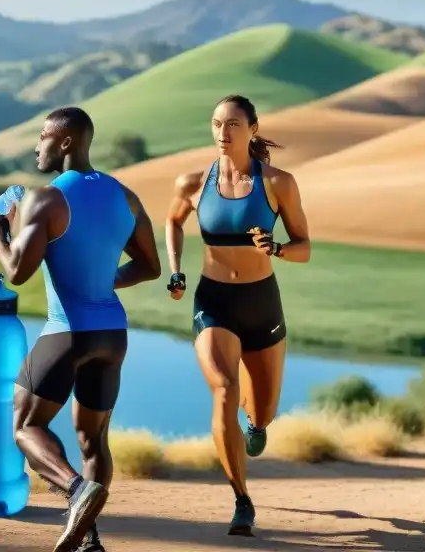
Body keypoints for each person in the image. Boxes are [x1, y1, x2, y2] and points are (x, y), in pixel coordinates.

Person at [0, 106, 161, 552]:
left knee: (23, 424)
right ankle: (89, 540)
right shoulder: (126, 197)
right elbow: (150, 267)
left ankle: (77, 489)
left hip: (68, 331)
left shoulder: (47, 198)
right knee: (93, 438)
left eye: (43, 135)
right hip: (112, 335)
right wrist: (102, 278)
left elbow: (18, 272)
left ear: (65, 143)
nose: (37, 144)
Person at [164, 94, 311, 537]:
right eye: (215, 124)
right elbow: (172, 221)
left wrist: (279, 248)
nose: (222, 133)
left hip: (262, 302)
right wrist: (176, 271)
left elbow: (305, 247)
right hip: (214, 303)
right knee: (225, 391)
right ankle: (242, 501)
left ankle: (257, 425)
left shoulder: (278, 183)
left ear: (252, 128)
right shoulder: (192, 182)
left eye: (231, 124)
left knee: (261, 411)